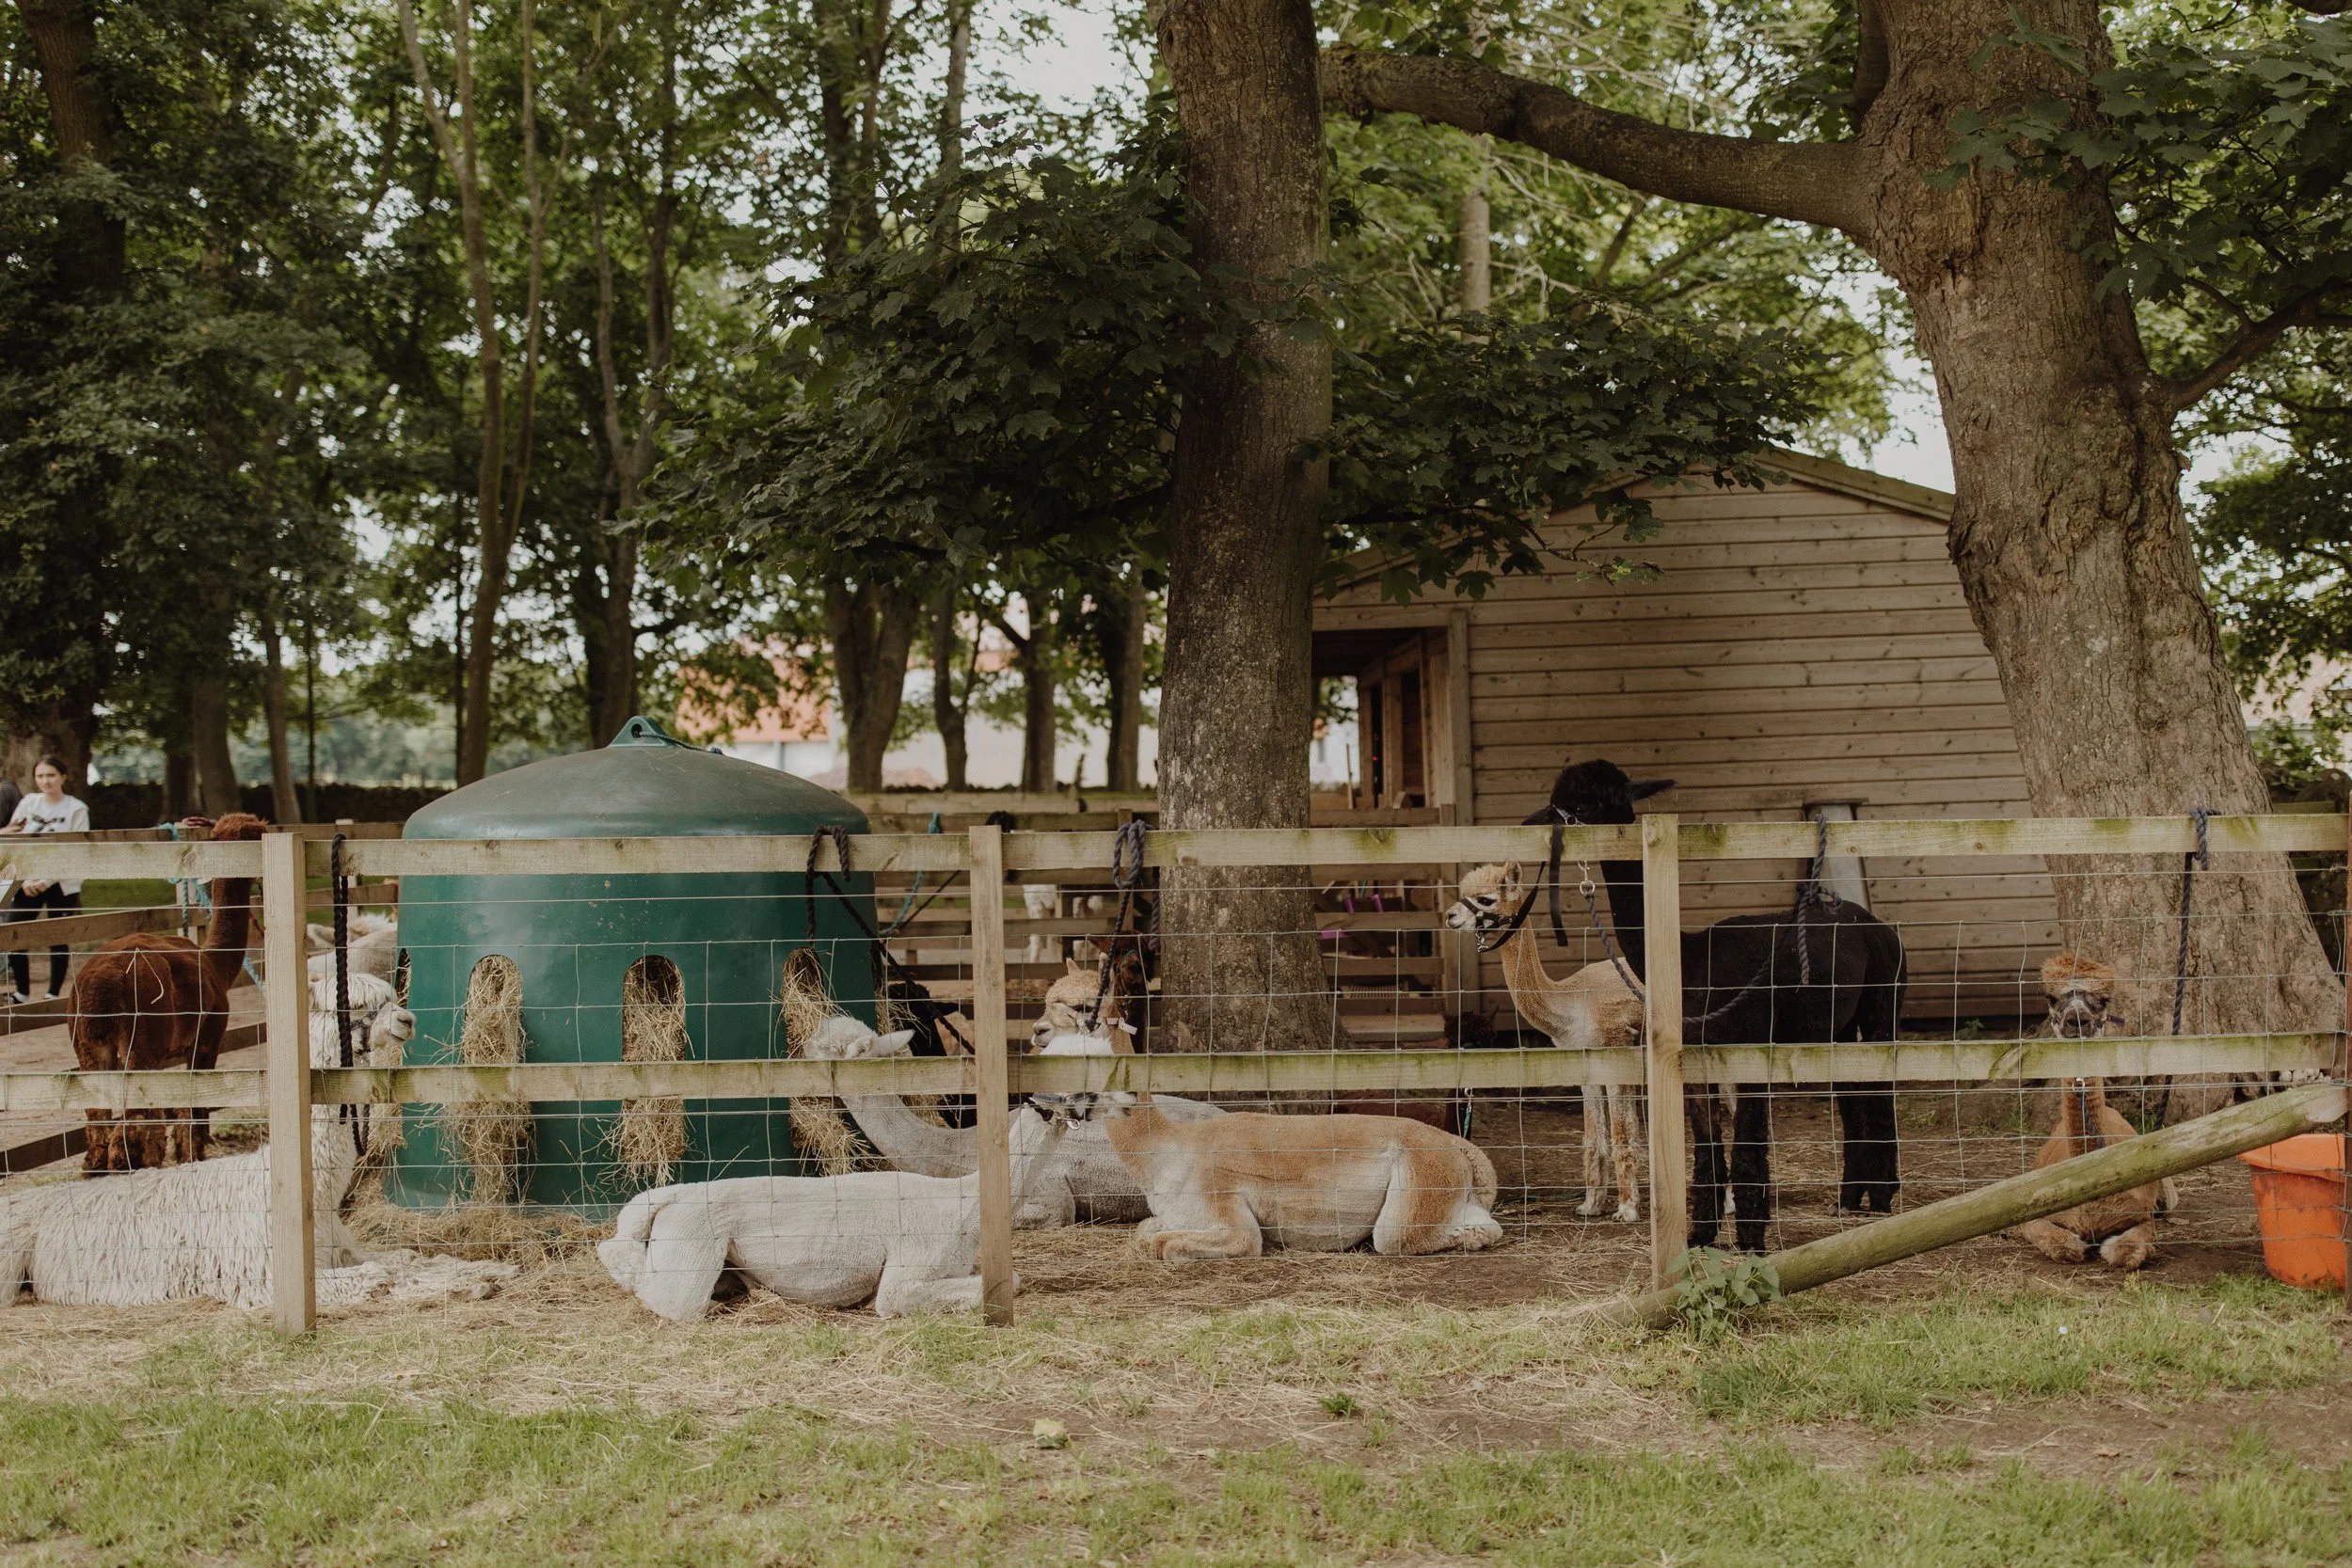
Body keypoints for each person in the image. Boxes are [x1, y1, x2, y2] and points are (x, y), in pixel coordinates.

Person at [1, 757, 90, 1004]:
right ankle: (21, 992)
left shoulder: (76, 809)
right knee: (16, 933)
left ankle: (53, 994)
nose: (45, 781)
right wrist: (26, 879)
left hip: (60, 883)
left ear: (63, 776)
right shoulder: (29, 803)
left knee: (57, 937)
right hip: (27, 880)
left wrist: (46, 880)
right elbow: (15, 838)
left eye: (51, 775)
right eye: (40, 776)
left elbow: (76, 851)